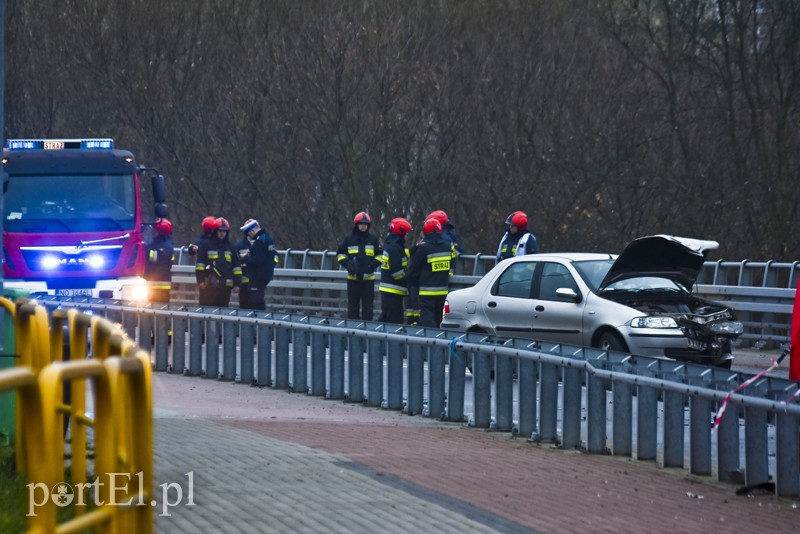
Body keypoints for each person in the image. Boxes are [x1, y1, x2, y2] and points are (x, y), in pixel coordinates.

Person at [336, 211, 382, 320]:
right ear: (356, 225)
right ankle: (353, 330)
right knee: (352, 307)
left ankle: (367, 331)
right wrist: (348, 264)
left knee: (368, 307)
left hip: (368, 280)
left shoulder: (374, 240)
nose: (363, 226)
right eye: (361, 224)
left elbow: (381, 255)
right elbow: (340, 254)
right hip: (353, 279)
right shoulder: (349, 239)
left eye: (365, 224)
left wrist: (372, 265)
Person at [408, 217, 451, 328]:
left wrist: (412, 281)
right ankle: (441, 339)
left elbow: (414, 268)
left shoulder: (424, 248)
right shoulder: (447, 247)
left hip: (426, 291)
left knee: (427, 317)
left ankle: (431, 340)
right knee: (439, 318)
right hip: (443, 290)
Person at [195, 217, 242, 307]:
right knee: (206, 311)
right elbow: (200, 264)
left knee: (222, 313)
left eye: (224, 231)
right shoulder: (206, 244)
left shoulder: (231, 247)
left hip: (225, 286)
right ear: (215, 231)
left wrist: (237, 284)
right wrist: (200, 280)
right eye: (220, 231)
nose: (222, 233)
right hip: (208, 285)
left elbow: (236, 266)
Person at [235, 218, 279, 311]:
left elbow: (258, 259)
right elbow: (273, 256)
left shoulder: (259, 241)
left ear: (253, 230)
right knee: (255, 300)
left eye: (249, 233)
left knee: (256, 302)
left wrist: (244, 258)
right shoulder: (267, 238)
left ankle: (259, 320)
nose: (249, 235)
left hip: (257, 277)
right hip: (264, 275)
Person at [378, 217, 412, 324]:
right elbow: (397, 273)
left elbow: (403, 256)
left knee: (385, 319)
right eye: (406, 233)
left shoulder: (393, 245)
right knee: (394, 321)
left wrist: (416, 248)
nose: (407, 235)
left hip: (389, 290)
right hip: (393, 291)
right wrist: (410, 278)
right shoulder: (394, 248)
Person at [145, 218, 175, 303]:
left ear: (160, 232)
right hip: (165, 284)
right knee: (163, 310)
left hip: (152, 284)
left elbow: (147, 262)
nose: (152, 232)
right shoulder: (170, 247)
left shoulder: (153, 247)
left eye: (154, 230)